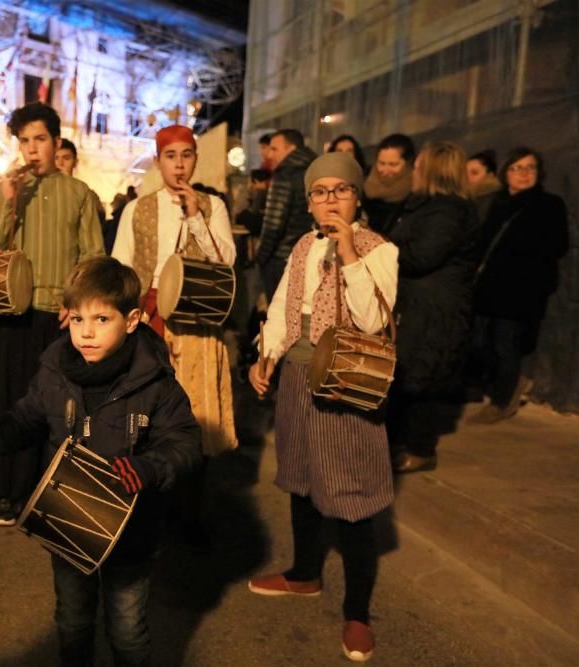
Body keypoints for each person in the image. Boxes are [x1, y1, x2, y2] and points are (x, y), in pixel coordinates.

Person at [0, 256, 201, 666]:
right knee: (72, 622)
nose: (86, 333)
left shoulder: (156, 382)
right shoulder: (56, 371)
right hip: (67, 523)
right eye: (77, 319)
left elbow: (184, 441)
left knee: (127, 631)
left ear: (131, 320)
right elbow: (27, 416)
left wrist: (148, 467)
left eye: (101, 320)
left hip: (131, 531)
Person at [246, 152, 398, 663]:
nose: (330, 200)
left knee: (348, 493)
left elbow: (372, 321)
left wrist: (351, 249)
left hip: (346, 382)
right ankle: (305, 574)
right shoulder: (302, 247)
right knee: (302, 478)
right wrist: (265, 355)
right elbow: (285, 306)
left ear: (358, 196)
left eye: (340, 190)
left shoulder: (380, 251)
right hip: (296, 374)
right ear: (308, 202)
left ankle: (358, 612)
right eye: (320, 191)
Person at [112, 125, 237, 541]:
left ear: (195, 160)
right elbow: (122, 266)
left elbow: (227, 259)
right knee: (150, 415)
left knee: (193, 417)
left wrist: (196, 216)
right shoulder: (138, 209)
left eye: (186, 155)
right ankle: (146, 506)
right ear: (158, 160)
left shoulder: (213, 206)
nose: (179, 164)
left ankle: (191, 513)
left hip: (197, 323)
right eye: (171, 156)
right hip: (151, 320)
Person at [0, 102, 105, 526]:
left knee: (57, 408)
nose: (31, 149)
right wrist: (8, 202)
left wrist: (76, 303)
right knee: (10, 401)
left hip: (57, 316)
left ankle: (50, 492)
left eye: (39, 140)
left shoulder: (79, 193)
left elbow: (93, 255)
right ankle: (6, 492)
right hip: (11, 310)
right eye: (24, 141)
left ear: (56, 143)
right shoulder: (9, 189)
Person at [385, 142, 480, 473]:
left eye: (419, 166)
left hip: (435, 309)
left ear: (433, 170)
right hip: (420, 304)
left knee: (424, 378)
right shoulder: (430, 207)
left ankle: (421, 449)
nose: (413, 171)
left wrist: (383, 248)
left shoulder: (448, 211)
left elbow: (423, 256)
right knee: (408, 374)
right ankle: (400, 441)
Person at [470, 147, 568, 423]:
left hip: (521, 289)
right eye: (517, 168)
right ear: (506, 173)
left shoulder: (549, 204)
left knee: (506, 344)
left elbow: (557, 245)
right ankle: (508, 384)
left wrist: (527, 254)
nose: (524, 173)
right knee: (479, 341)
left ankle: (502, 401)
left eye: (530, 168)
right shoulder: (495, 203)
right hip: (488, 287)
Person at [254, 128, 317, 301]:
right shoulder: (314, 170)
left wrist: (261, 257)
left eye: (275, 149)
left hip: (280, 257)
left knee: (278, 313)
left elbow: (273, 224)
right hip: (307, 254)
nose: (269, 155)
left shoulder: (285, 174)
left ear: (291, 148)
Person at [364, 133, 415, 233]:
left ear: (408, 162)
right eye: (381, 163)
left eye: (393, 164)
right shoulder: (364, 186)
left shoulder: (416, 195)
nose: (385, 170)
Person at [465, 149, 501, 224]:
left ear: (490, 175)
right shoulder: (469, 199)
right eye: (464, 172)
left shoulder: (490, 201)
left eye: (474, 173)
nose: (467, 177)